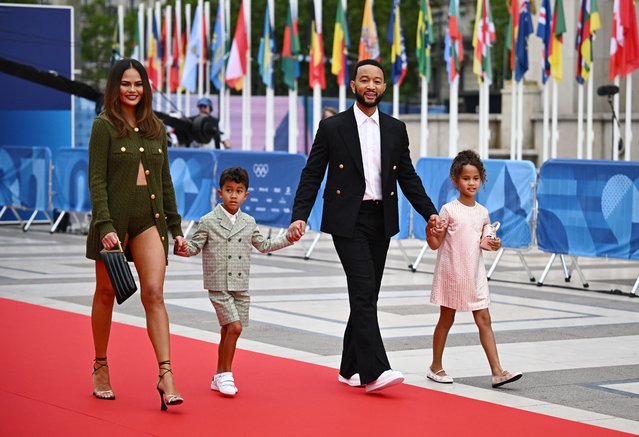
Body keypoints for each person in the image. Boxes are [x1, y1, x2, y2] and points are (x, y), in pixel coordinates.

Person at [287, 59, 444, 393]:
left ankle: (348, 367)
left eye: (377, 81)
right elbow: (312, 173)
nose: (371, 86)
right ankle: (375, 370)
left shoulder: (395, 128)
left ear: (384, 87)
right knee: (362, 292)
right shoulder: (333, 127)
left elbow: (408, 176)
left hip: (381, 219)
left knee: (367, 295)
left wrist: (429, 212)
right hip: (348, 219)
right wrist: (299, 214)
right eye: (364, 80)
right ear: (353, 85)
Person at [86, 58, 186, 410]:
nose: (132, 90)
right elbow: (96, 179)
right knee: (106, 292)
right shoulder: (103, 126)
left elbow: (166, 181)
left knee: (155, 294)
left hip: (150, 220)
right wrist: (105, 225)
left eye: (138, 84)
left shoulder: (155, 127)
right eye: (126, 84)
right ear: (115, 87)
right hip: (113, 222)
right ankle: (100, 364)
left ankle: (166, 373)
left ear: (146, 88)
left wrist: (175, 228)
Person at [176, 167, 294, 396]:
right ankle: (226, 374)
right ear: (220, 192)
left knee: (227, 330)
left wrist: (288, 238)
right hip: (218, 284)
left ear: (246, 195)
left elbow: (264, 245)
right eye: (228, 190)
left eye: (238, 191)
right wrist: (182, 247)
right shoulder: (208, 221)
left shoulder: (249, 222)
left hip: (241, 286)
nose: (233, 195)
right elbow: (194, 247)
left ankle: (218, 375)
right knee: (235, 327)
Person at [425, 149, 522, 388]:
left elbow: (485, 243)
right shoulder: (449, 210)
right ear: (456, 180)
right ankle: (435, 366)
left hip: (475, 274)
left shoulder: (483, 213)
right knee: (446, 319)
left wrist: (495, 244)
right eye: (466, 178)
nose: (471, 183)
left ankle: (497, 371)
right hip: (452, 274)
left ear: (482, 180)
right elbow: (436, 244)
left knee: (484, 319)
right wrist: (430, 232)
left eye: (475, 178)